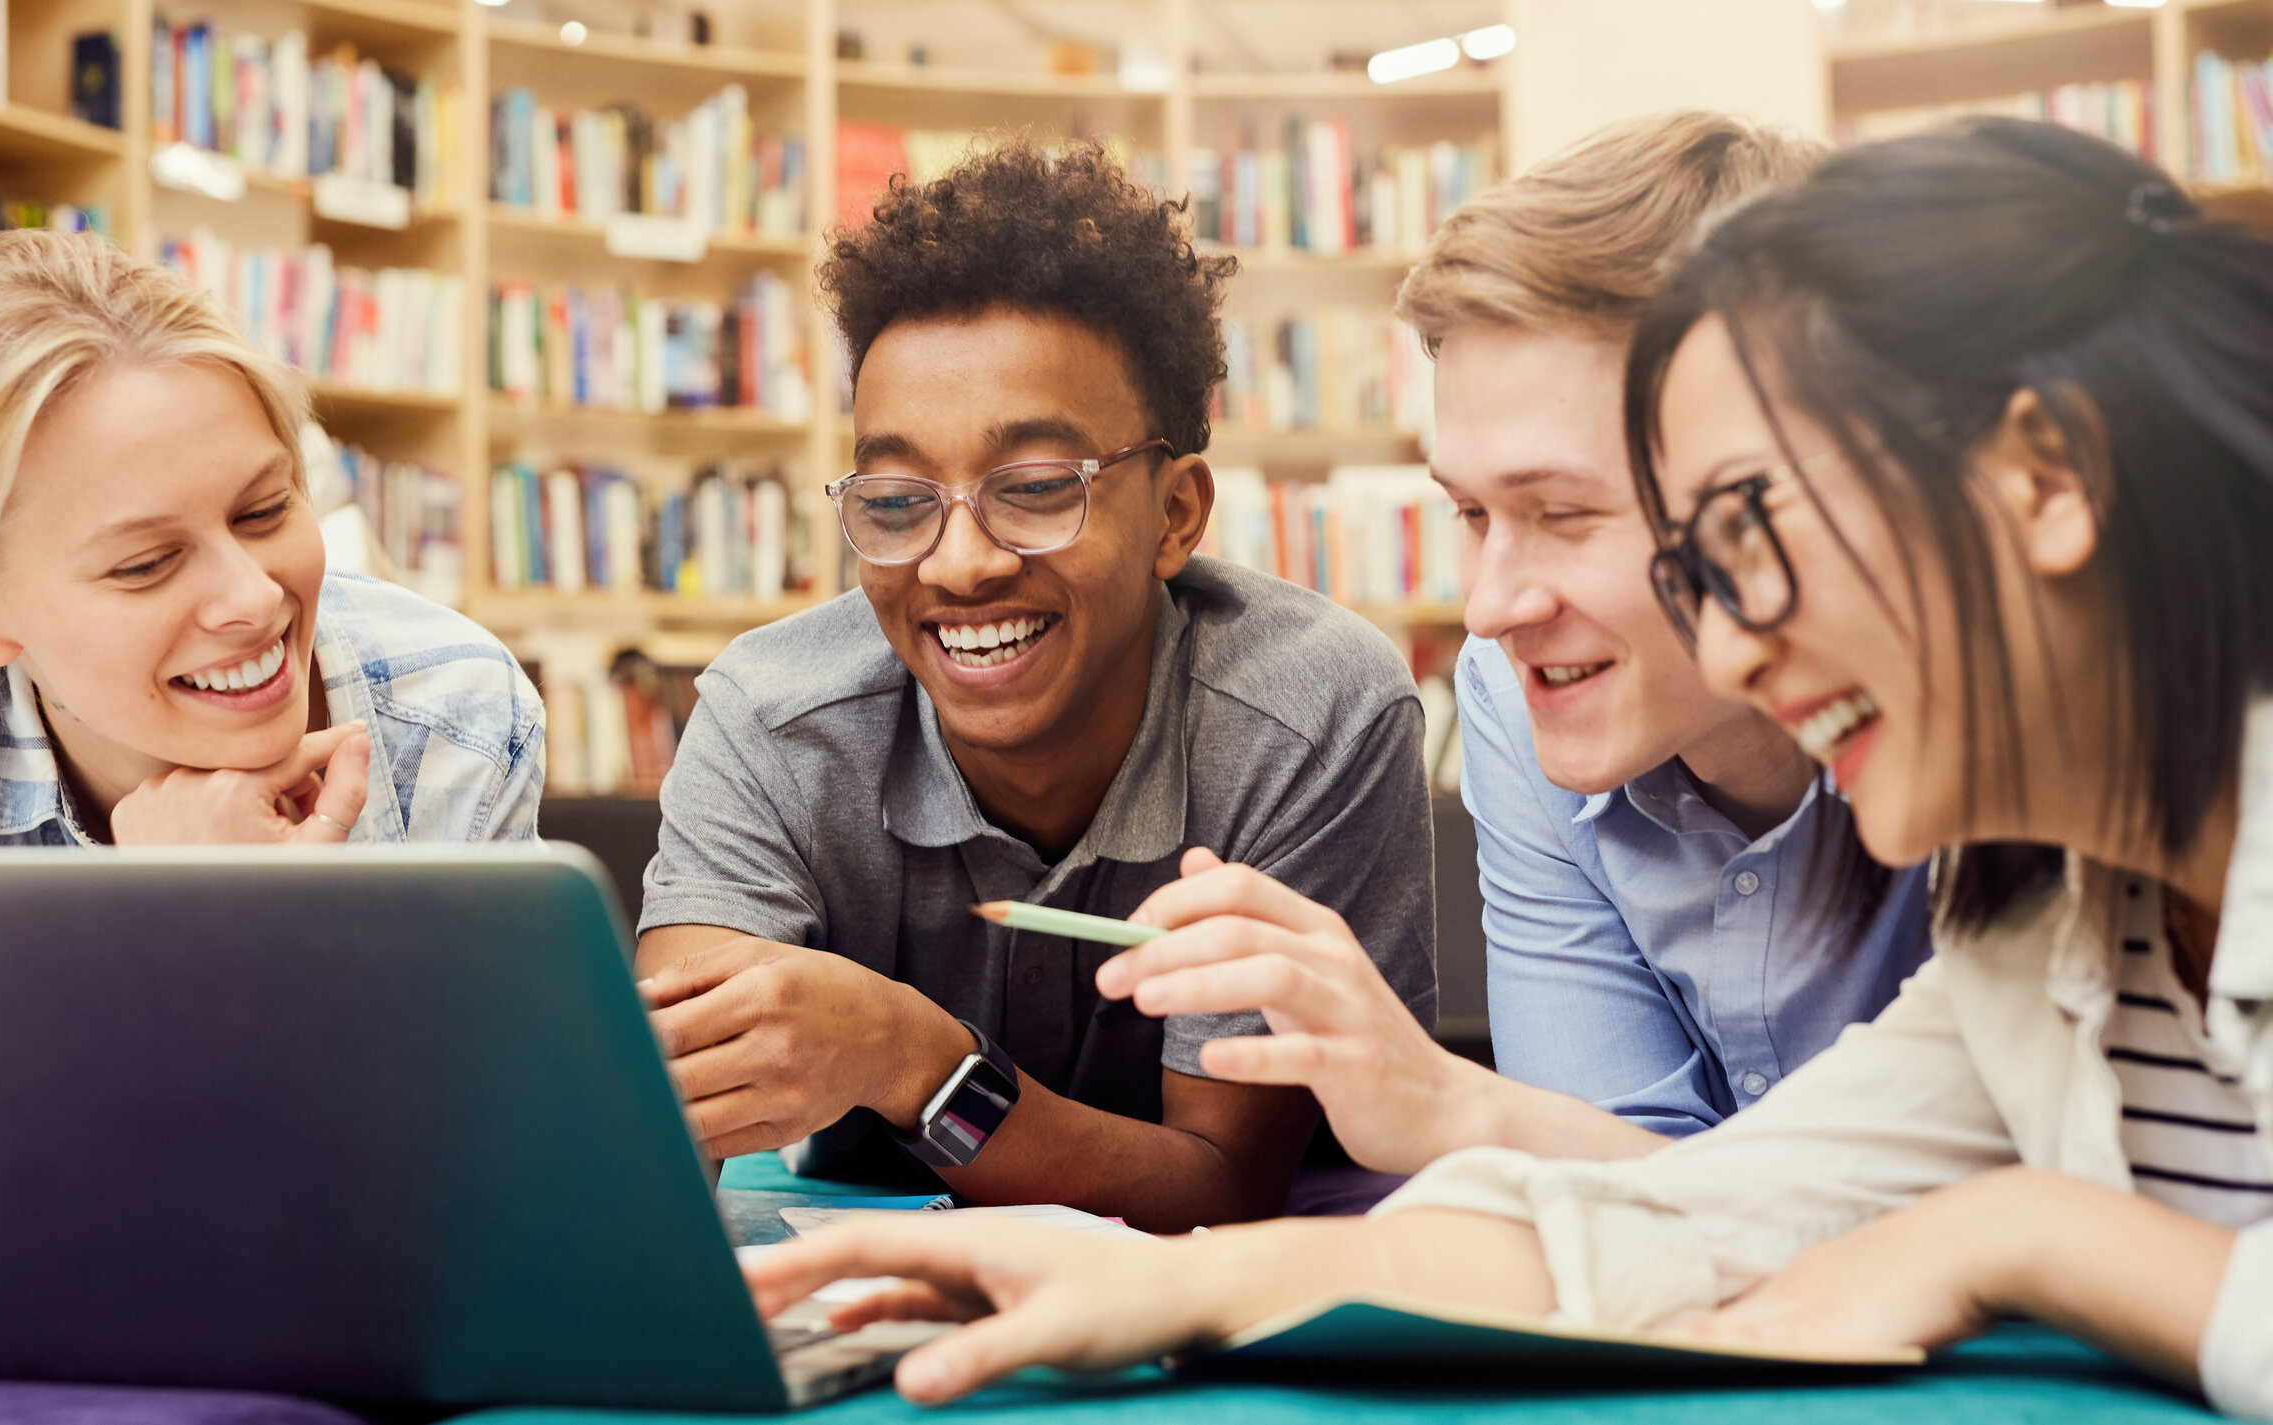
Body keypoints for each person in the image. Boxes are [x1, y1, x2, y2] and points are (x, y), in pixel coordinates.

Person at [742, 118, 2273, 1419]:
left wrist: (2030, 1237)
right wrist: (1159, 1283)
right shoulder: (2039, 931)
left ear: (2046, 479)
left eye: (1752, 533)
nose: (1735, 644)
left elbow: (1921, 1227)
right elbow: (1689, 1218)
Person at [1078, 112, 1932, 1183]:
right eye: (1471, 514)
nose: (1485, 610)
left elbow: (2007, 1214)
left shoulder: (1985, 736)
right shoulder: (1511, 691)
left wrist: (1450, 1107)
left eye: (1564, 514)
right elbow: (1626, 1190)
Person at [634, 141, 1436, 1231]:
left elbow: (1218, 1187)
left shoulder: (1310, 717)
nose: (960, 564)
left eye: (1037, 486)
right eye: (896, 498)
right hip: (878, 1282)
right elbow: (662, 1142)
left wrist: (909, 1057)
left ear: (1175, 515)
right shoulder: (771, 718)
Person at [0, 230, 546, 1266]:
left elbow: (480, 1213)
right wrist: (165, 945)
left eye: (266, 509)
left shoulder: (453, 715)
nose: (253, 597)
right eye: (145, 564)